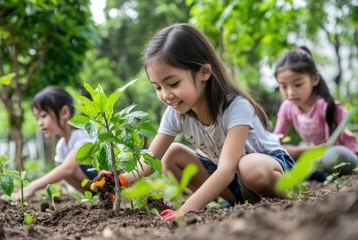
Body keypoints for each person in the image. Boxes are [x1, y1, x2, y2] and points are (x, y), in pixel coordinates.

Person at [121, 23, 295, 221]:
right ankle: (235, 203)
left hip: (268, 169)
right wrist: (123, 179)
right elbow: (150, 159)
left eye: (173, 84)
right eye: (158, 87)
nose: (166, 95)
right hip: (233, 182)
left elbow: (226, 169)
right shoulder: (176, 112)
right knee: (172, 155)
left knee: (249, 167)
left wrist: (184, 211)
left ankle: (287, 201)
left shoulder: (235, 107)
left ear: (204, 72)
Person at [273, 46, 358, 181]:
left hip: (343, 152)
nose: (290, 92)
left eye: (298, 84)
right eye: (283, 86)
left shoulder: (328, 107)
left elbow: (329, 146)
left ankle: (313, 172)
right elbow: (276, 141)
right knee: (277, 153)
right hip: (314, 153)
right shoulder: (287, 107)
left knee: (333, 156)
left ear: (314, 79)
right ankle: (318, 174)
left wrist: (297, 152)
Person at [12, 86, 97, 200]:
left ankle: (105, 196)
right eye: (37, 118)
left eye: (43, 116)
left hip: (108, 182)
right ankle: (94, 198)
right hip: (94, 186)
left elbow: (68, 168)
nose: (40, 123)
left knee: (65, 169)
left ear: (64, 113)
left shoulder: (81, 135)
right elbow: (65, 171)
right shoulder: (62, 145)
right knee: (62, 169)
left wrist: (32, 187)